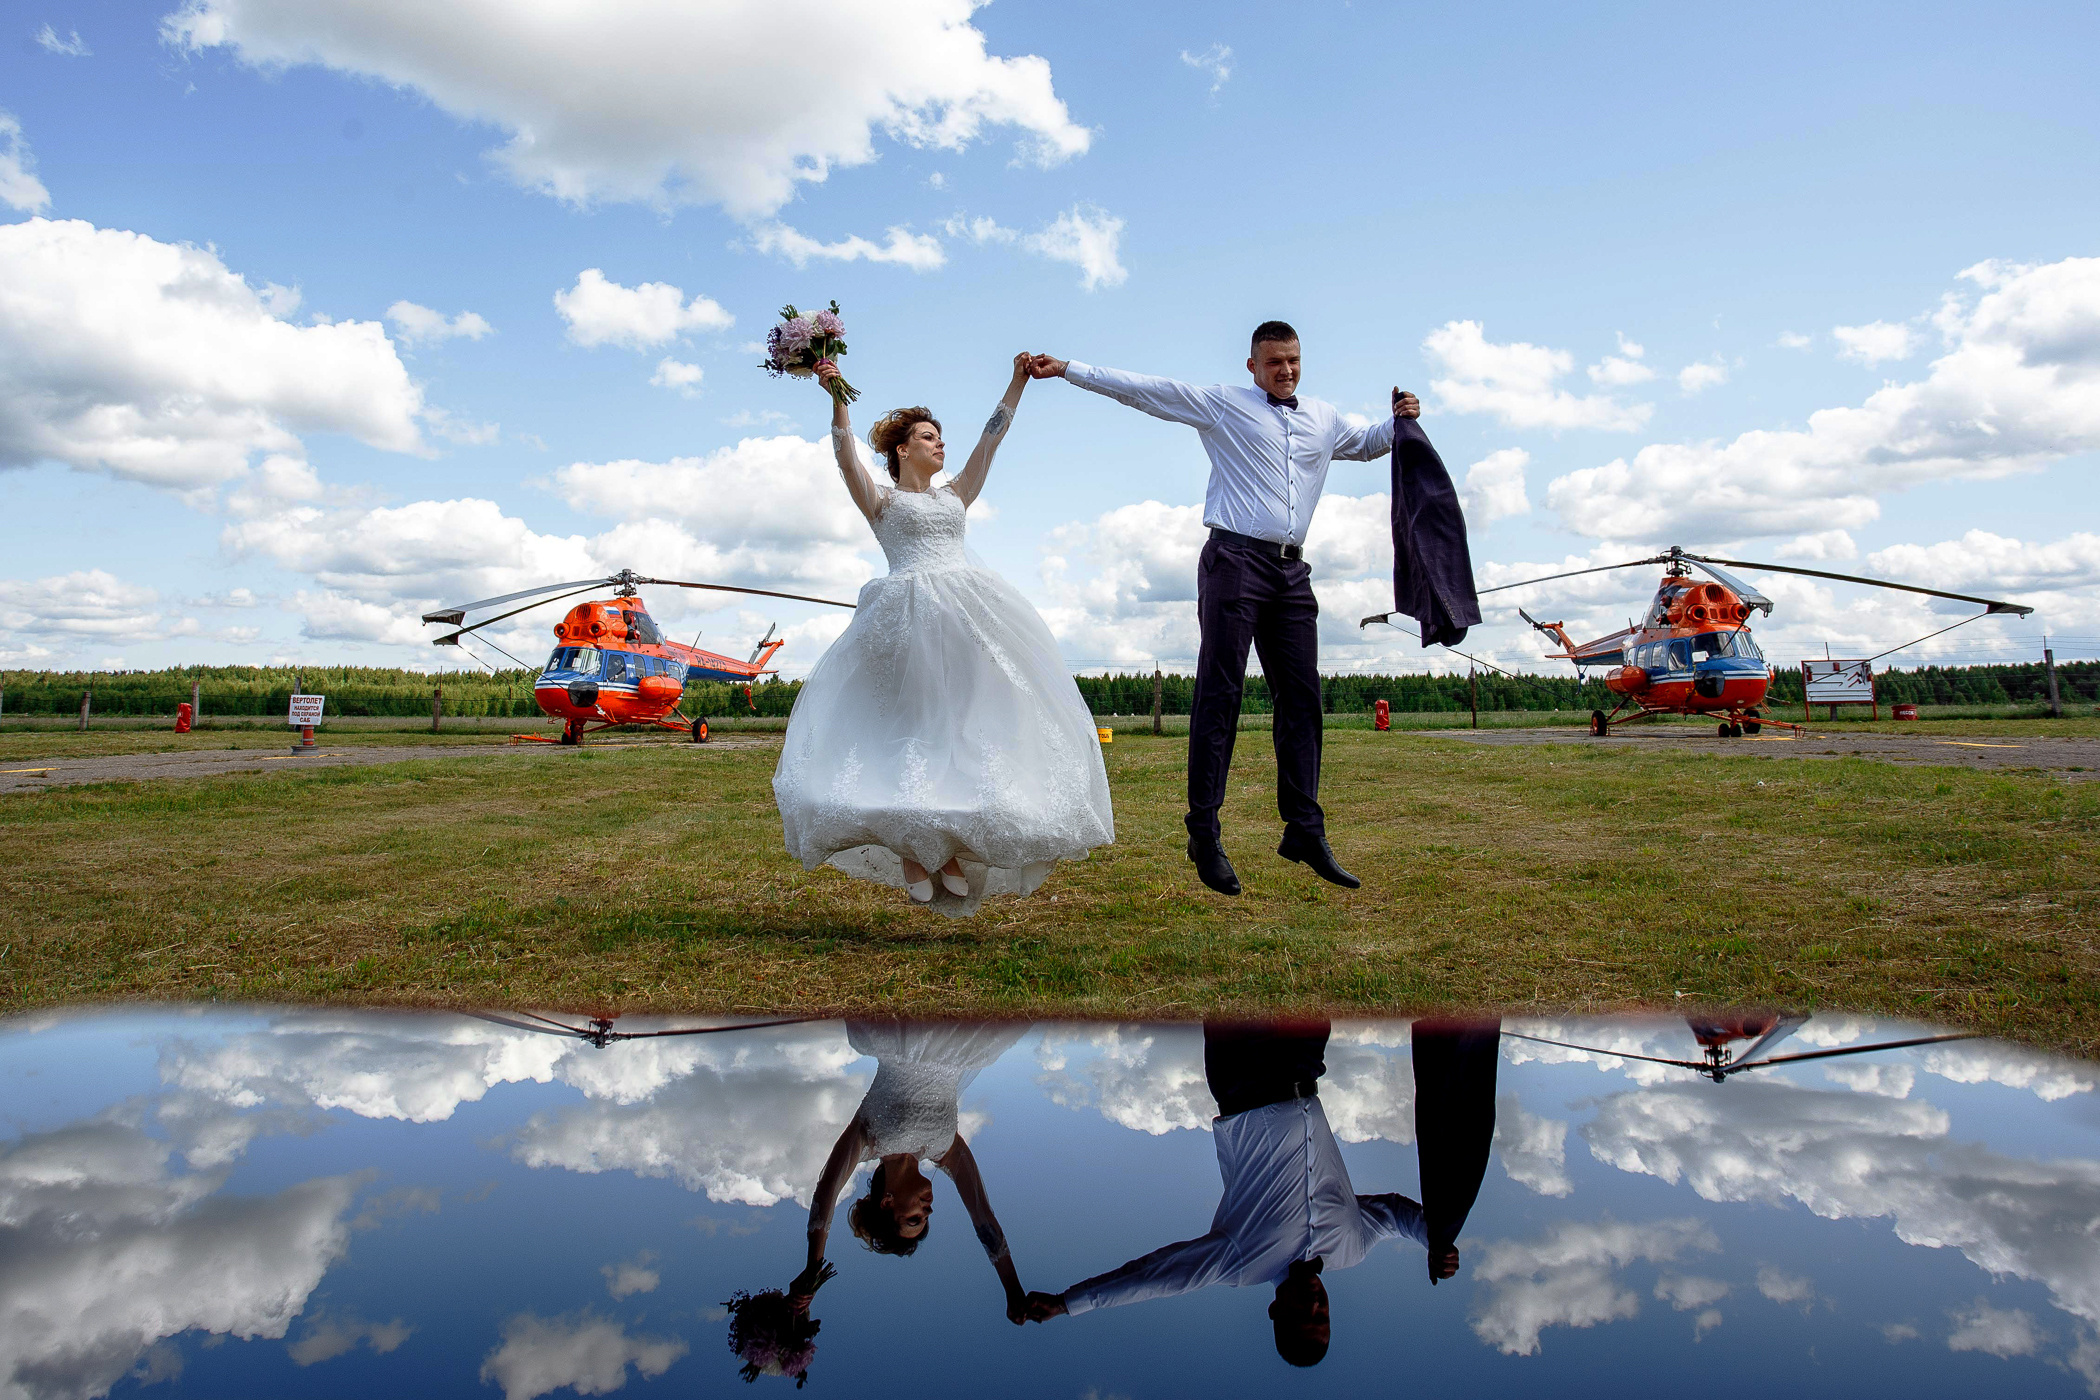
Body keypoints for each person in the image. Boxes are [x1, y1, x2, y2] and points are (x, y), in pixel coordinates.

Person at [1027, 329, 1419, 896]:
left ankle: (1305, 830)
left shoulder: (1323, 417)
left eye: (1294, 361)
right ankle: (1204, 833)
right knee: (1220, 696)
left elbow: (1366, 442)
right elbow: (1146, 391)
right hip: (1233, 560)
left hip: (1291, 572)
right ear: (1253, 365)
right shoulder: (1223, 405)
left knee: (1303, 699)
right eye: (1275, 362)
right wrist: (1068, 368)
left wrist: (1400, 419)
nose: (1286, 371)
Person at [772, 353, 1114, 915]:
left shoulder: (955, 494)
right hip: (902, 621)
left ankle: (945, 846)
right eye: (928, 437)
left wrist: (1016, 382)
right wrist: (834, 393)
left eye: (940, 437)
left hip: (967, 618)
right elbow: (842, 452)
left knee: (958, 733)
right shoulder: (881, 500)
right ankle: (914, 849)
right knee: (908, 734)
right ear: (902, 449)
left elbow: (992, 438)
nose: (940, 444)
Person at [1022, 1019, 1491, 1368]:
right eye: (1323, 1316)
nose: (1315, 1305)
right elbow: (1392, 1214)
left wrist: (1069, 1303)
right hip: (1306, 1064)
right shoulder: (1352, 1247)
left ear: (1275, 1312)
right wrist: (1432, 1237)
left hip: (1241, 1074)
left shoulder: (1241, 1262)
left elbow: (1156, 1278)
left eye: (1302, 1317)